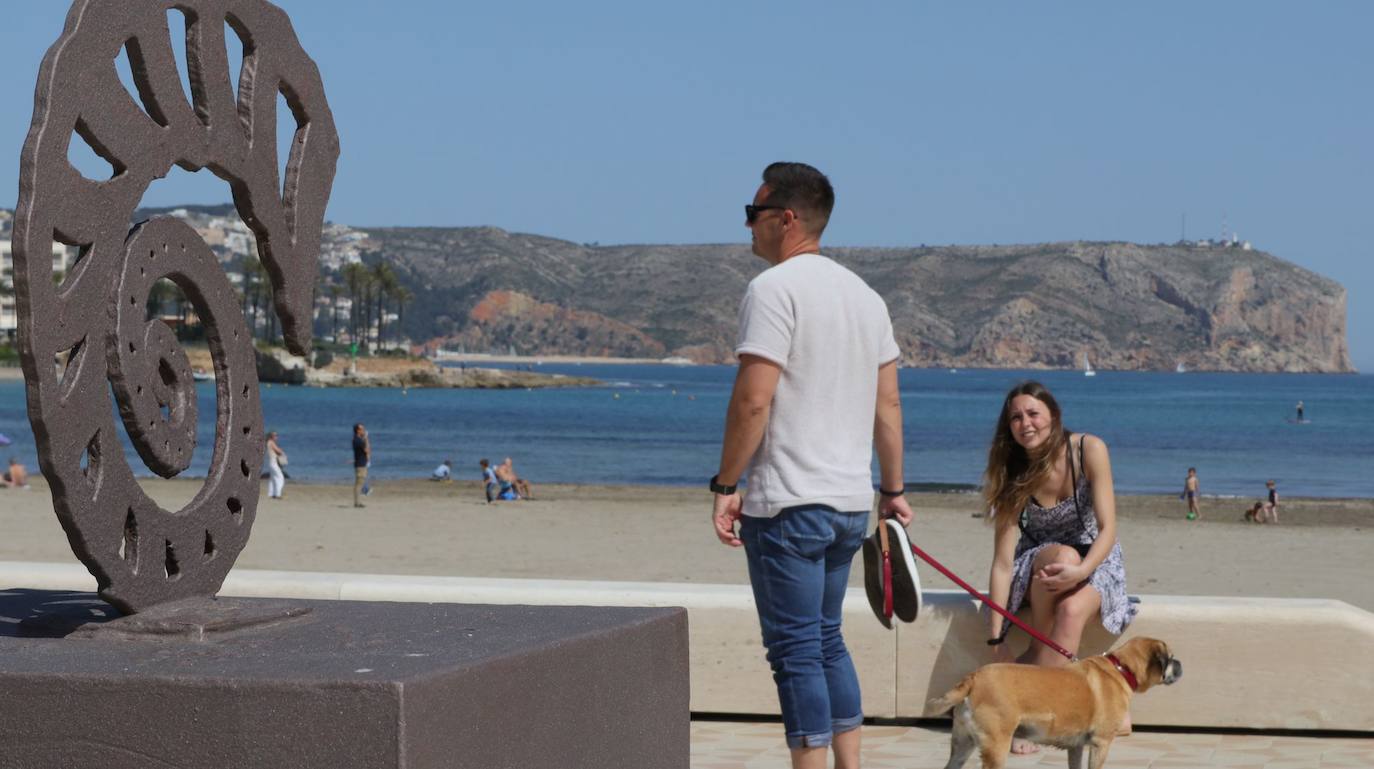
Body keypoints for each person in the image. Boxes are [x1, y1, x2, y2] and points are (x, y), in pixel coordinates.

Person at [710, 162, 911, 769]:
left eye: (753, 213)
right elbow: (889, 405)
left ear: (786, 219)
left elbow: (753, 399)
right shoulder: (866, 297)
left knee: (795, 650)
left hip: (790, 502)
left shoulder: (772, 290)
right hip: (850, 503)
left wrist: (725, 484)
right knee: (826, 641)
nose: (746, 226)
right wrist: (893, 490)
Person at [982, 381, 1135, 753]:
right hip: (1041, 562)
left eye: (1033, 413)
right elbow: (1002, 564)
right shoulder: (1014, 472)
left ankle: (1027, 706)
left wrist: (1083, 572)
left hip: (1097, 559)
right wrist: (995, 637)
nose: (1025, 423)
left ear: (1053, 415)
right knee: (1063, 556)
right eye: (1015, 417)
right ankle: (1044, 710)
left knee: (1070, 612)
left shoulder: (1088, 449)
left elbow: (1109, 527)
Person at [352, 423, 370, 508]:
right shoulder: (358, 440)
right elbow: (367, 450)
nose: (363, 430)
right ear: (358, 430)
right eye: (362, 429)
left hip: (361, 463)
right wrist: (366, 438)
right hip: (360, 464)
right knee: (359, 484)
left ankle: (358, 502)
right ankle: (357, 502)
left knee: (360, 483)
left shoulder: (358, 440)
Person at [265, 431, 287, 499]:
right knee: (280, 478)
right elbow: (278, 451)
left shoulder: (268, 442)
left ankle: (271, 493)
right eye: (275, 435)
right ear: (272, 436)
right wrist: (282, 452)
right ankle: (277, 494)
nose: (277, 437)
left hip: (271, 462)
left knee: (273, 479)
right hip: (273, 462)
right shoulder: (271, 442)